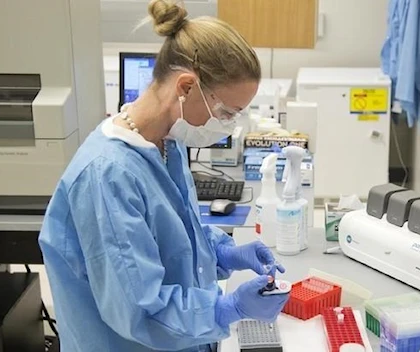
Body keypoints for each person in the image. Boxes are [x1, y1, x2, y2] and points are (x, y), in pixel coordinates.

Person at [38, 1, 289, 351]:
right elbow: (138, 308)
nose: (228, 125)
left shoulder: (165, 143)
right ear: (186, 87)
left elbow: (172, 239)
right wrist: (226, 309)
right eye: (226, 111)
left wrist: (224, 252)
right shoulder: (107, 176)